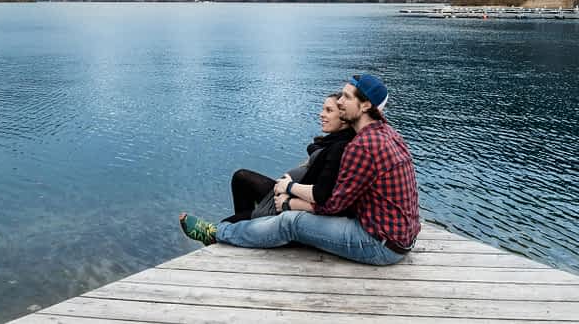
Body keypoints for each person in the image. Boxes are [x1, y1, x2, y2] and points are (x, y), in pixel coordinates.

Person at [180, 74, 420, 266]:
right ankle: (235, 233)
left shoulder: (362, 146)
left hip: (378, 244)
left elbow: (331, 205)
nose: (339, 102)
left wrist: (289, 201)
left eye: (346, 97)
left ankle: (217, 234)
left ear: (366, 105)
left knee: (291, 223)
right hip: (399, 237)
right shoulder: (387, 133)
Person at [221, 93, 355, 224]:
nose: (321, 114)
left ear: (343, 117)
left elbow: (322, 193)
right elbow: (315, 149)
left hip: (289, 202)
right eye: (323, 109)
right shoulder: (333, 142)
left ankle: (249, 224)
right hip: (287, 193)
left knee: (227, 224)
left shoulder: (339, 147)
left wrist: (289, 188)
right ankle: (249, 225)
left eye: (329, 110)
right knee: (241, 178)